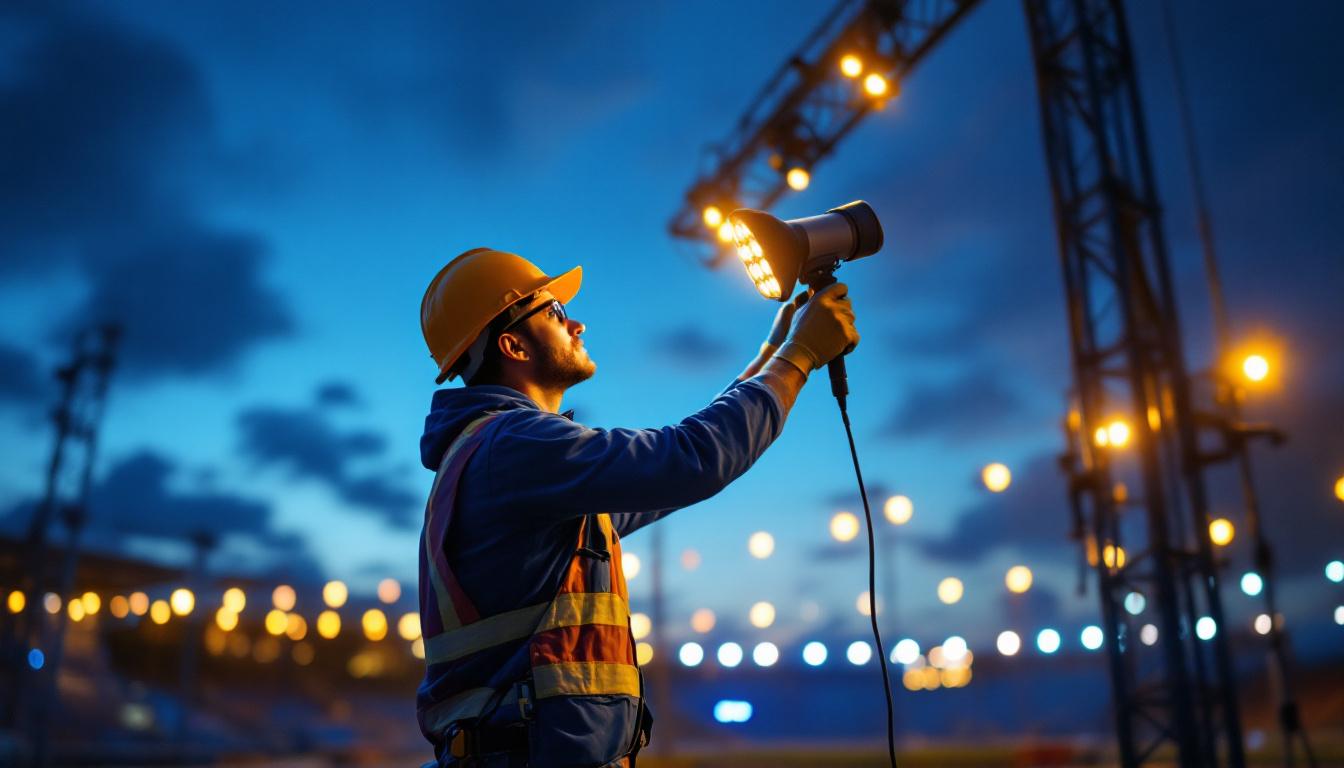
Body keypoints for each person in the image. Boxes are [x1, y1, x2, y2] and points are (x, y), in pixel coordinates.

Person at [416, 247, 858, 767]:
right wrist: (799, 357)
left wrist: (771, 353)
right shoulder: (516, 447)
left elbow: (670, 471)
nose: (577, 323)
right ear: (512, 344)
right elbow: (689, 459)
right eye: (554, 311)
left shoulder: (496, 459)